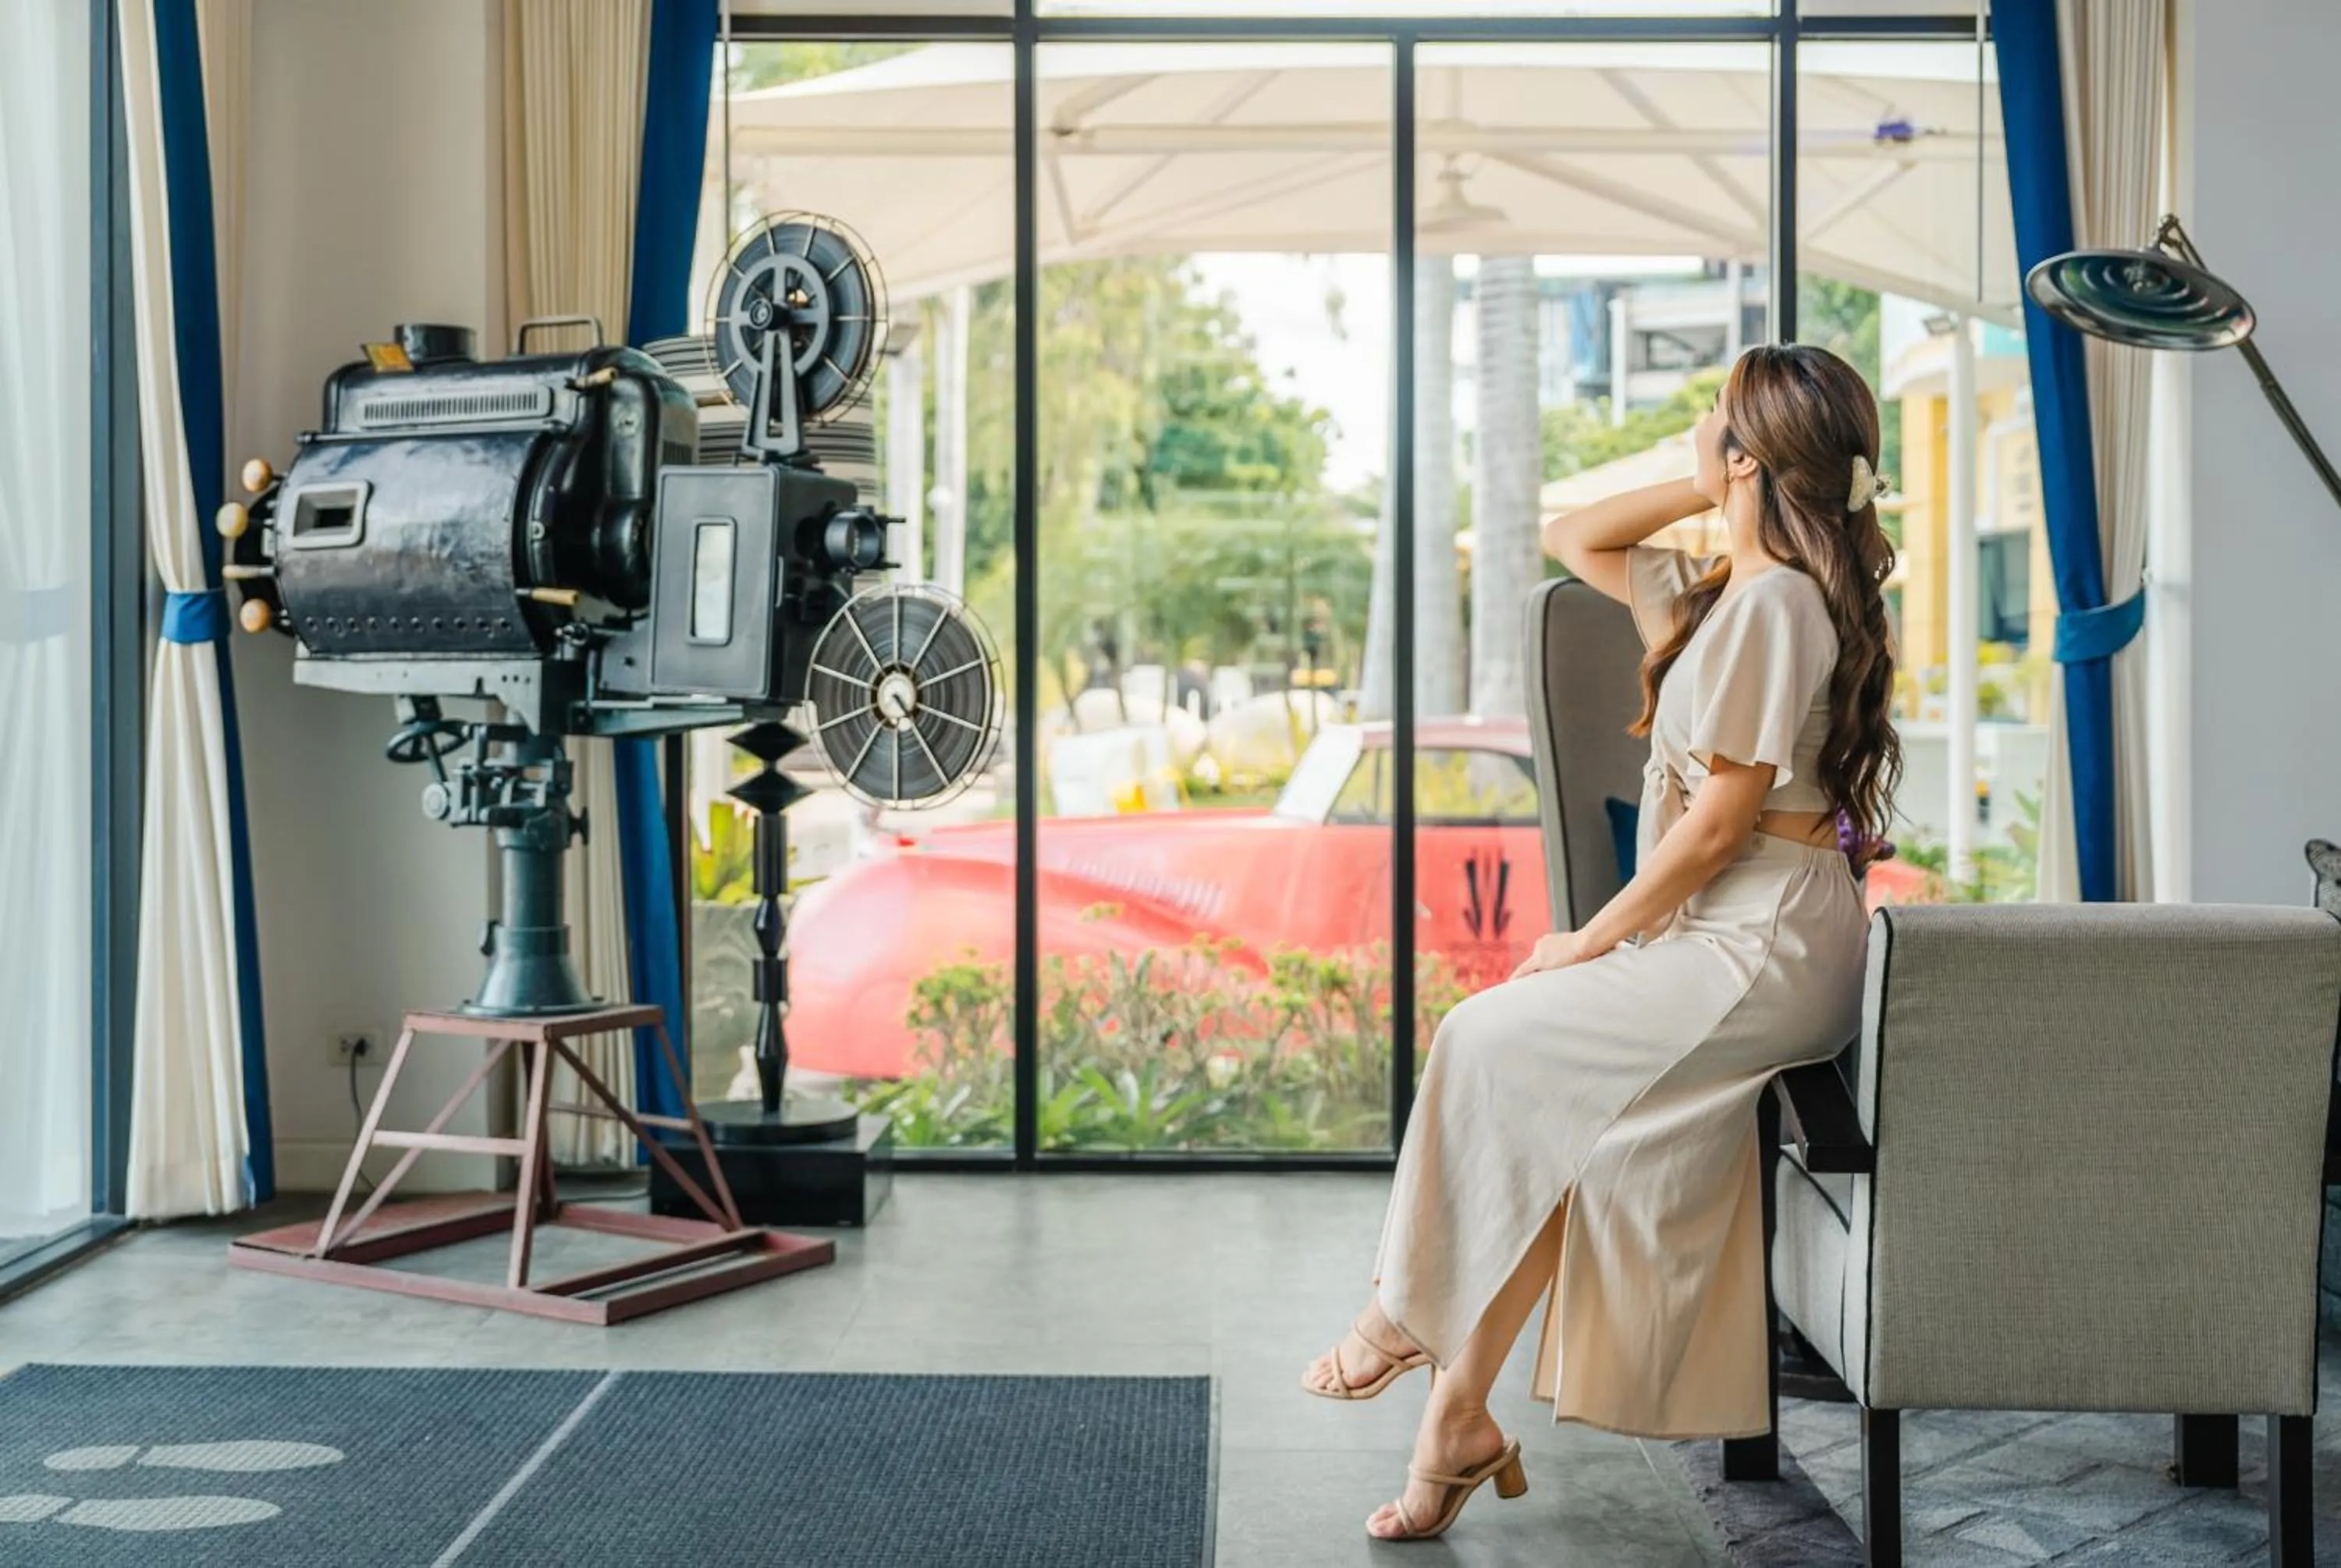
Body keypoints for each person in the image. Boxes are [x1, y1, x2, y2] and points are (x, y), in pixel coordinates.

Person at [1300, 343, 1902, 1541]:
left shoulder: (1778, 604)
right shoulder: (1732, 590)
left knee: (1480, 1034)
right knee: (1560, 1125)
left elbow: (1726, 822)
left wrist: (1589, 941)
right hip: (1730, 924)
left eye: (1712, 424)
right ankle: (1456, 1422)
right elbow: (1581, 539)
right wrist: (1723, 478)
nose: (1696, 436)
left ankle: (1401, 1313)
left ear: (1751, 458)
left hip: (1764, 936)